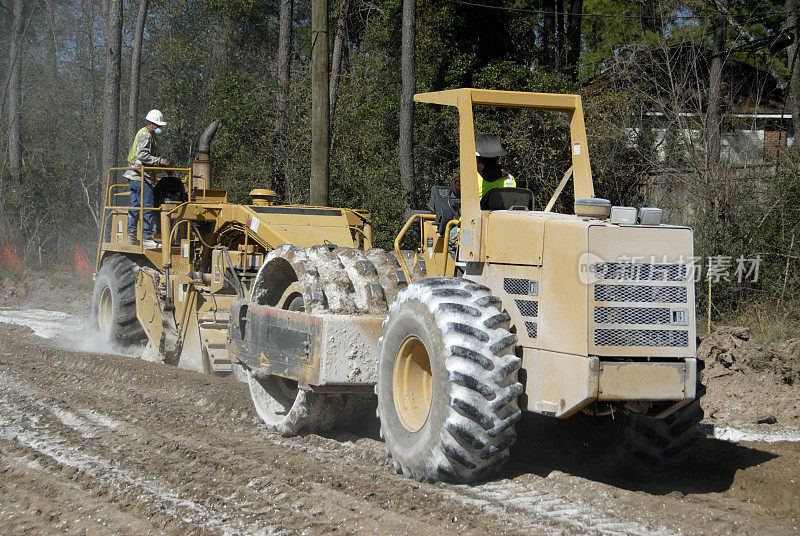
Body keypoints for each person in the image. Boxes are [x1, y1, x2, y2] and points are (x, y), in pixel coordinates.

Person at [125, 109, 170, 248]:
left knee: (135, 206)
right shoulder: (146, 135)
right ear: (151, 123)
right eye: (158, 125)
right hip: (140, 176)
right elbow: (142, 156)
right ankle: (146, 238)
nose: (160, 128)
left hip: (136, 176)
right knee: (147, 206)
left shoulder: (149, 135)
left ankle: (131, 236)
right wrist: (160, 161)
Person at [449, 134, 516, 199]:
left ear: (477, 158)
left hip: (475, 210)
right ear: (498, 156)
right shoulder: (509, 179)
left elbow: (457, 192)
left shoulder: (470, 178)